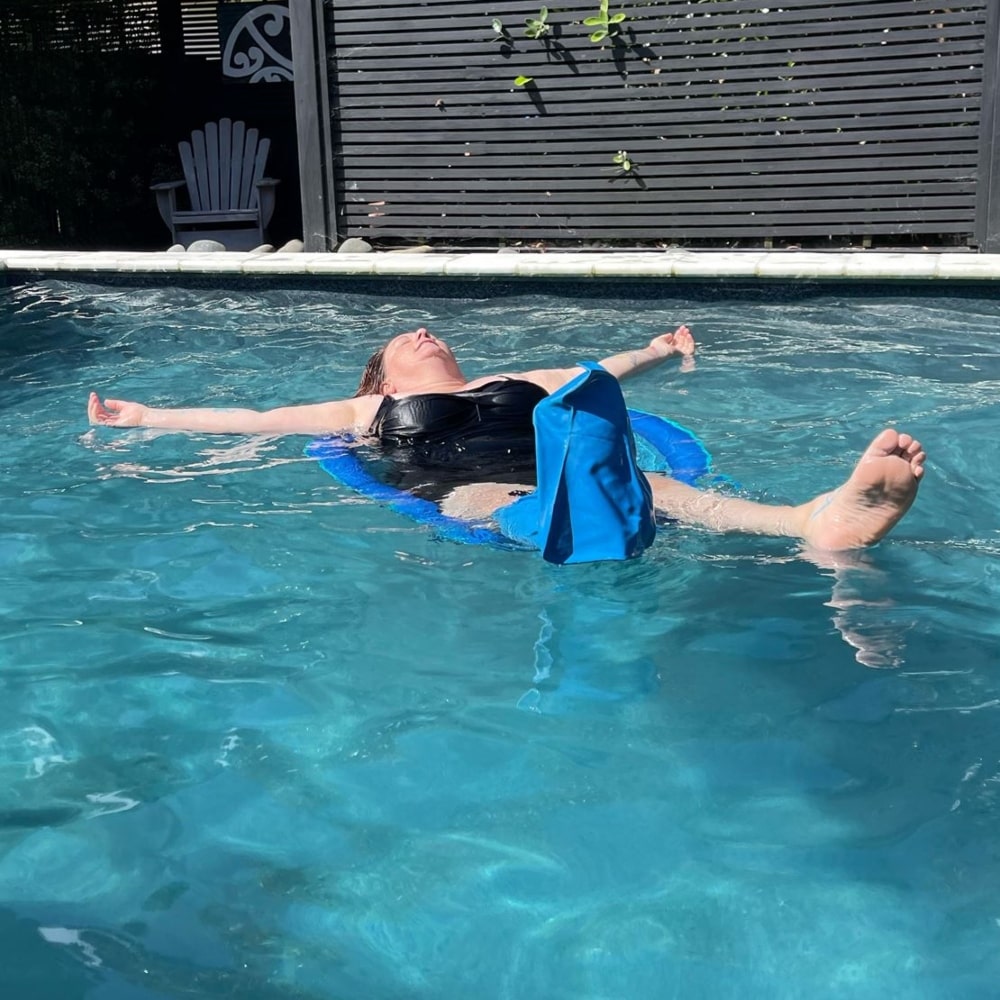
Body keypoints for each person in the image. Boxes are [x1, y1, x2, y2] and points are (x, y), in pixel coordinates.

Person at [87, 325, 925, 552]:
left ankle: (815, 522)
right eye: (404, 338)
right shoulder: (361, 414)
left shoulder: (518, 377)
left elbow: (610, 369)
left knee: (652, 485)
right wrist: (146, 417)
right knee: (506, 499)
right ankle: (576, 510)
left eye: (429, 330)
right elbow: (251, 423)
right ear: (378, 378)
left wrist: (665, 352)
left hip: (552, 454)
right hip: (463, 482)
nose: (423, 331)